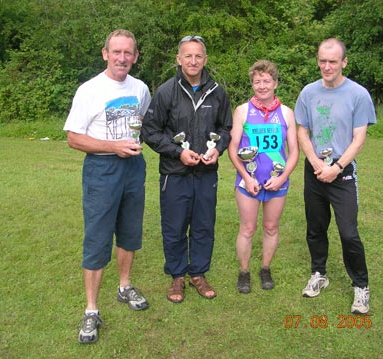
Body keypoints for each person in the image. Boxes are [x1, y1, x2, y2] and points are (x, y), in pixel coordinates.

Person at [63, 29, 151, 344]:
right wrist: (112, 147)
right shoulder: (89, 90)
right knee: (98, 237)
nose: (122, 58)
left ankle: (124, 286)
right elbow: (73, 137)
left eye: (128, 52)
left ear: (135, 56)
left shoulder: (141, 88)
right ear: (105, 53)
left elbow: (141, 124)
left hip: (133, 168)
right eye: (116, 52)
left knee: (129, 232)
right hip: (101, 169)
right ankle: (91, 310)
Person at [141, 35, 232, 303]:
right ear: (178, 60)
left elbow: (226, 128)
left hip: (205, 173)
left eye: (198, 56)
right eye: (188, 56)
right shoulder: (166, 91)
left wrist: (218, 149)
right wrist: (178, 152)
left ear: (205, 59)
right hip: (174, 173)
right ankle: (177, 277)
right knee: (174, 226)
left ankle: (198, 274)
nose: (193, 61)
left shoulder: (216, 91)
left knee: (204, 225)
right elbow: (150, 130)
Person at [295, 38, 376, 314]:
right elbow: (302, 131)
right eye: (322, 60)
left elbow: (359, 138)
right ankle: (319, 274)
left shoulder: (358, 94)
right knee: (315, 228)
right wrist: (316, 162)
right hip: (315, 170)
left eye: (332, 61)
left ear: (344, 62)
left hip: (342, 173)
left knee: (348, 233)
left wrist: (337, 167)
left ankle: (361, 286)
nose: (326, 66)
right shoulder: (308, 92)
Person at [228, 60, 299, 294]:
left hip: (277, 182)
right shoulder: (242, 111)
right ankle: (245, 271)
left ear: (275, 83)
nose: (262, 86)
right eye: (257, 81)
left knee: (270, 227)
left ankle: (265, 268)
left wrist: (282, 178)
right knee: (247, 228)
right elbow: (233, 148)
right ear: (252, 84)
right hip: (248, 182)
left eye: (266, 81)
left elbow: (294, 152)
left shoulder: (287, 113)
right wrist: (246, 178)